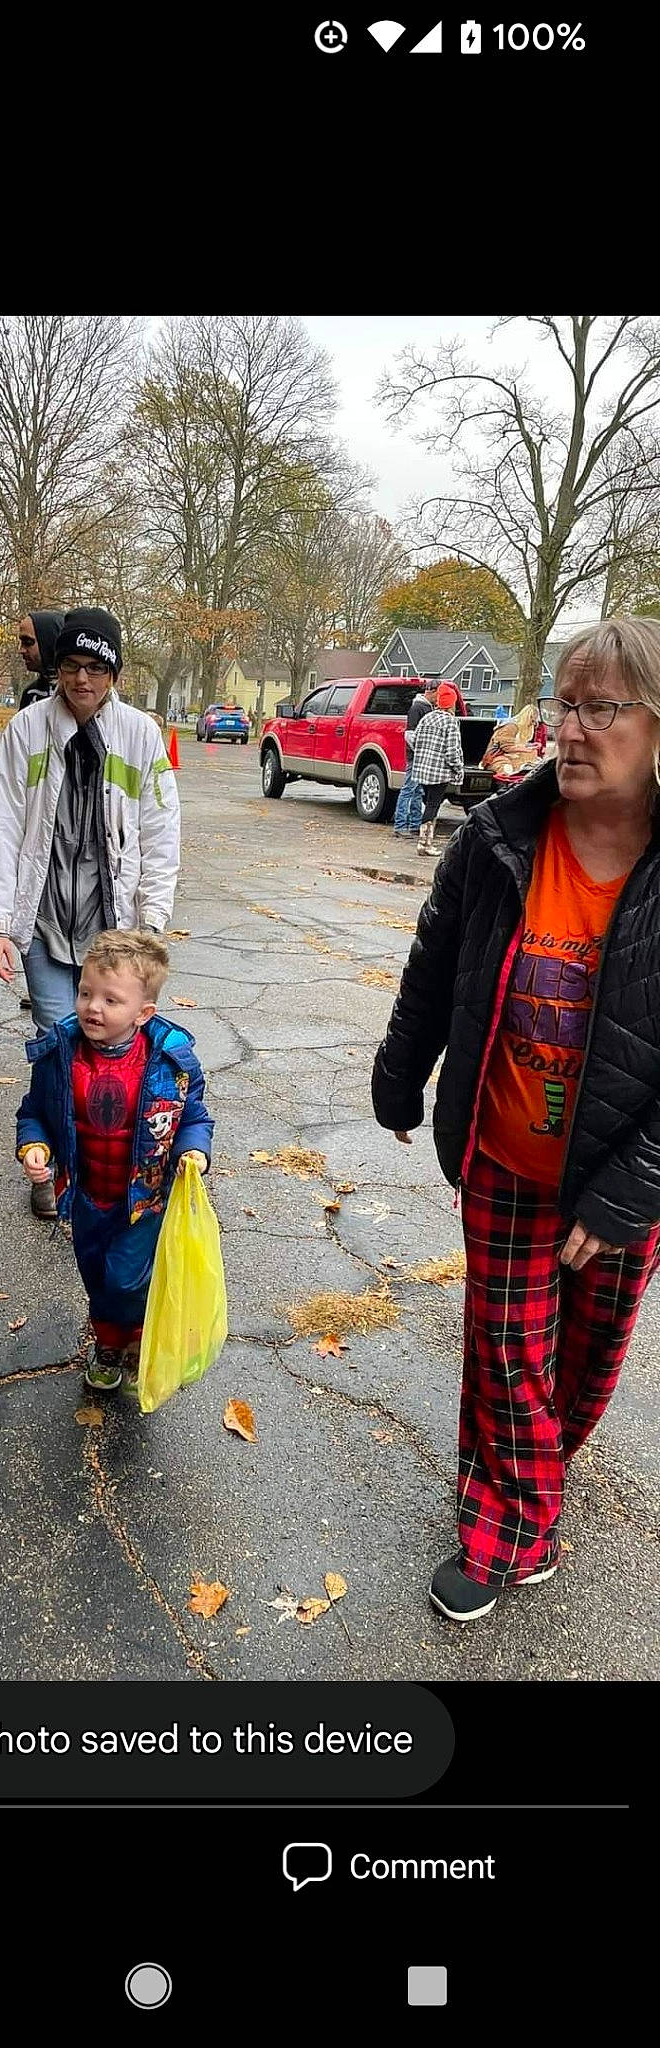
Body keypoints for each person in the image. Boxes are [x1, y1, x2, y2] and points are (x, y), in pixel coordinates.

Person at [371, 617, 660, 1624]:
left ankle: (517, 1471)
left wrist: (630, 1190)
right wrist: (399, 1077)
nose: (569, 730)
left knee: (581, 1363)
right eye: (562, 705)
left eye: (601, 708)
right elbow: (433, 967)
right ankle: (512, 1526)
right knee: (506, 1349)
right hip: (504, 1150)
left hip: (620, 1172)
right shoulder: (497, 837)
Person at [0, 606, 181, 1221]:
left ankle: (111, 1160)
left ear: (114, 672)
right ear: (56, 668)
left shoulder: (140, 735)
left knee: (115, 1043)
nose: (82, 679)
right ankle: (52, 1163)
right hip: (43, 920)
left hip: (111, 926)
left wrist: (152, 921)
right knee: (55, 1042)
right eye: (70, 666)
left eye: (95, 667)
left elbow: (161, 832)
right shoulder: (28, 729)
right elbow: (3, 826)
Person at [16, 928, 213, 1392]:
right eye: (86, 993)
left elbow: (193, 1116)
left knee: (126, 1278)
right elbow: (34, 1112)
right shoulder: (59, 1055)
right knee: (97, 1276)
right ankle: (108, 1343)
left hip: (144, 1201)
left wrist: (194, 1150)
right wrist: (35, 1146)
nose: (93, 1007)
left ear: (143, 1013)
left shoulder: (170, 1061)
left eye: (111, 1000)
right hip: (86, 1198)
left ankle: (139, 1333)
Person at [410, 683, 464, 855]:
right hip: (439, 772)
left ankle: (425, 841)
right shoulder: (451, 722)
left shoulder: (427, 718)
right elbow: (452, 751)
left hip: (422, 771)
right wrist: (458, 769)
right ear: (451, 704)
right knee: (433, 806)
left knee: (428, 804)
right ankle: (425, 844)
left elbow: (414, 741)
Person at [392, 681, 438, 838]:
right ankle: (400, 825)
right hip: (415, 757)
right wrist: (421, 751)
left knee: (417, 791)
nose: (439, 698)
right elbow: (409, 734)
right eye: (438, 693)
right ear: (431, 691)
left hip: (419, 756)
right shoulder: (417, 708)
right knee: (408, 789)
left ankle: (414, 825)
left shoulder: (428, 708)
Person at [17, 610, 64, 711]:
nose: (21, 650)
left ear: (49, 642)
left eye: (28, 642)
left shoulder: (78, 693)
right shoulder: (30, 694)